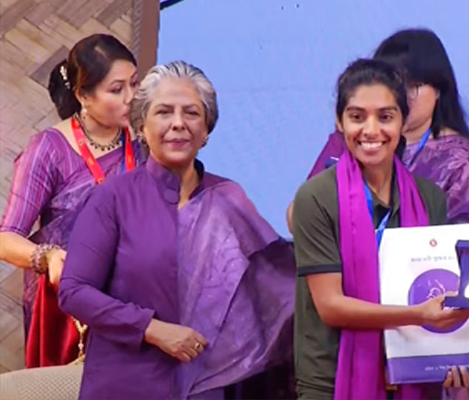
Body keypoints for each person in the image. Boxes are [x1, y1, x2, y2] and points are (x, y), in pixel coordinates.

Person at [57, 61, 296, 400]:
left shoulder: (228, 199)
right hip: (126, 385)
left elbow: (274, 290)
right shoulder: (113, 198)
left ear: (206, 129)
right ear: (141, 125)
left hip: (207, 387)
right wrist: (150, 328)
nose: (179, 123)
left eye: (192, 113)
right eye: (164, 112)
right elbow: (74, 291)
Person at [292, 58, 469, 400]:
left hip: (413, 378)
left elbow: (438, 286)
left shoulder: (429, 197)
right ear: (339, 121)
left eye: (385, 117)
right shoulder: (316, 197)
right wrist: (418, 315)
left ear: (402, 121)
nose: (371, 130)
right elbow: (331, 306)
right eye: (357, 117)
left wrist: (457, 358)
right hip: (332, 383)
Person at [0, 33, 143, 368]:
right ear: (82, 95)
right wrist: (48, 257)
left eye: (135, 84)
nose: (131, 98)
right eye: (116, 89)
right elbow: (6, 239)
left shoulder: (144, 144)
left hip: (132, 301)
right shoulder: (48, 150)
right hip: (68, 310)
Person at [287, 28, 469, 230]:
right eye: (391, 86)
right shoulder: (351, 140)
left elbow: (465, 240)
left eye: (412, 86)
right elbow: (298, 217)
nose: (400, 96)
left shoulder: (464, 161)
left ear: (439, 89)